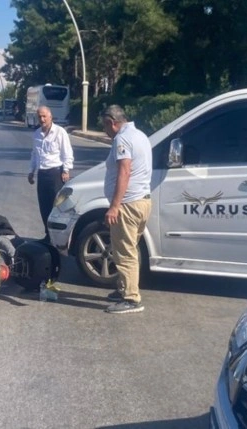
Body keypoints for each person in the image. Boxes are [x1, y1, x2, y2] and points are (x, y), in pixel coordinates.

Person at [101, 105, 152, 314]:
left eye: (105, 126)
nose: (105, 130)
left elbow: (125, 172)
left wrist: (114, 206)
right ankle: (124, 288)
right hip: (142, 201)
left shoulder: (122, 139)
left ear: (112, 122)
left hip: (128, 205)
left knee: (124, 253)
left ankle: (131, 299)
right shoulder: (140, 135)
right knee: (129, 248)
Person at [28, 105, 74, 240]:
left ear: (50, 117)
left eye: (44, 116)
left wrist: (66, 170)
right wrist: (31, 171)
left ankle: (60, 237)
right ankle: (48, 236)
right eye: (39, 117)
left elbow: (67, 152)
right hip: (42, 174)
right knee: (44, 207)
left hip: (56, 174)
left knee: (57, 206)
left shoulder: (60, 132)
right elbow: (34, 154)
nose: (42, 119)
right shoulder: (37, 134)